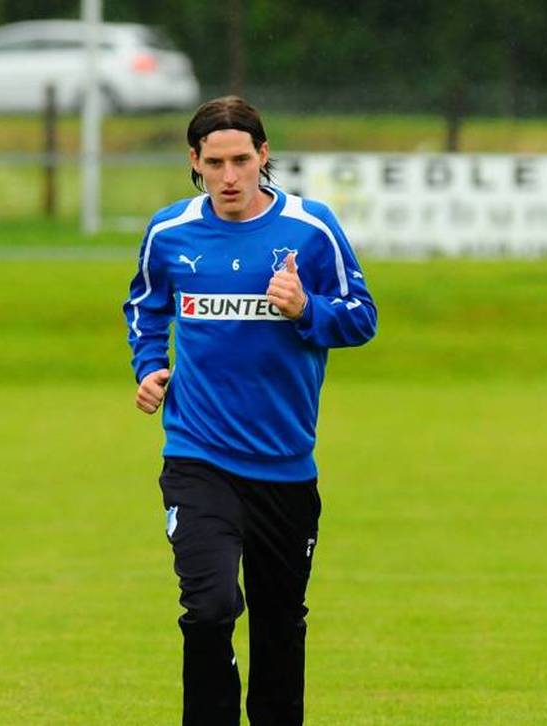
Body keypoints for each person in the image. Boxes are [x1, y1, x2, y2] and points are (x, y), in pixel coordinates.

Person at [123, 96, 377, 725]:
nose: (230, 176)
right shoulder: (170, 232)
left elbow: (362, 318)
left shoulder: (310, 230)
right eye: (216, 162)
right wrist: (150, 367)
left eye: (242, 159)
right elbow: (145, 308)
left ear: (264, 156)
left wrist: (306, 310)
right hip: (197, 456)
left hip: (285, 466)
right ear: (195, 161)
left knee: (279, 625)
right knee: (208, 609)